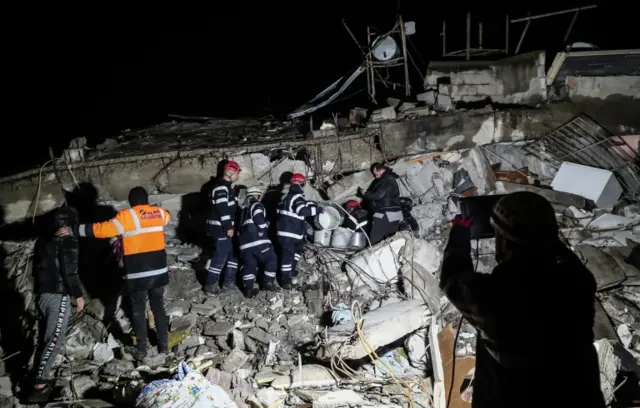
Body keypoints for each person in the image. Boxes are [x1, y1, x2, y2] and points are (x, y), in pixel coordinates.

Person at [440, 191, 605, 408]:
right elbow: (558, 253)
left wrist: (460, 232)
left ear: (504, 241)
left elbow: (452, 278)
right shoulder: (578, 281)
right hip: (578, 396)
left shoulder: (495, 295)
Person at [56, 187, 172, 362]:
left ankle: (141, 349)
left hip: (138, 274)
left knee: (138, 311)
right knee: (158, 308)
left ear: (131, 202)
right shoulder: (159, 213)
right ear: (146, 200)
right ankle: (164, 346)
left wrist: (74, 230)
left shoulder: (127, 217)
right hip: (159, 272)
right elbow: (168, 215)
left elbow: (102, 230)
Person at [28, 207, 85, 404]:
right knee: (55, 340)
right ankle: (39, 387)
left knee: (45, 340)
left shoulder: (43, 240)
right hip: (58, 295)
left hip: (42, 295)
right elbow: (69, 269)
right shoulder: (67, 240)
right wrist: (77, 294)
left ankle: (37, 381)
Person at [276, 173, 322, 289]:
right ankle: (285, 280)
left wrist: (310, 205)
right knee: (288, 256)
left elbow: (300, 207)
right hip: (289, 234)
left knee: (297, 251)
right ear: (302, 183)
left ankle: (290, 271)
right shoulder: (297, 196)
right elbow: (302, 211)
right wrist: (318, 210)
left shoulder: (290, 196)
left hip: (292, 234)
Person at [203, 160, 241, 295]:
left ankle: (228, 282)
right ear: (231, 173)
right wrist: (228, 227)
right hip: (220, 229)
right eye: (237, 173)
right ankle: (211, 284)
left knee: (232, 254)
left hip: (226, 227)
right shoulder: (220, 187)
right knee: (221, 255)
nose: (238, 176)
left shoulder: (227, 188)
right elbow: (222, 209)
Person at [238, 186, 280, 298]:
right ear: (257, 196)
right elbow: (258, 216)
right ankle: (268, 283)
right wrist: (262, 228)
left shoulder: (243, 210)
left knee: (249, 264)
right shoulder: (255, 204)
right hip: (257, 241)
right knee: (271, 259)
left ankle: (248, 289)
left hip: (244, 245)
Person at [358, 163, 403, 244]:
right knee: (391, 240)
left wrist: (365, 193)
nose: (374, 176)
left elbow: (379, 195)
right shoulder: (391, 179)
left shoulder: (385, 179)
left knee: (375, 240)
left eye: (375, 173)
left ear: (381, 170)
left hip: (384, 213)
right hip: (396, 213)